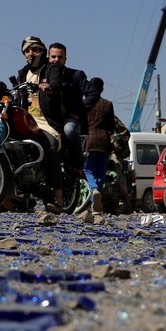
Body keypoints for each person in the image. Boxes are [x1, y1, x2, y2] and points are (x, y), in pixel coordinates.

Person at [15, 35, 66, 212]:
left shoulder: (51, 68)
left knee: (48, 150)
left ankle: (58, 200)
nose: (31, 53)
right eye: (27, 50)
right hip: (26, 121)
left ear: (42, 50)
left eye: (34, 49)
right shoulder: (22, 73)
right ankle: (11, 197)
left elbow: (56, 84)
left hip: (46, 123)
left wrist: (48, 87)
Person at [40, 43, 97, 178]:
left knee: (69, 130)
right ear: (48, 57)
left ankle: (77, 166)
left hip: (69, 119)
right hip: (49, 119)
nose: (56, 60)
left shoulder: (76, 75)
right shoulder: (42, 75)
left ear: (65, 59)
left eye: (60, 57)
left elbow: (93, 94)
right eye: (53, 56)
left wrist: (78, 112)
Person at [81, 77, 124, 214]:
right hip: (104, 143)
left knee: (88, 170)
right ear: (102, 89)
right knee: (100, 174)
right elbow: (111, 126)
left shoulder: (85, 104)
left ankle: (93, 190)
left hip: (89, 141)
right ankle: (95, 206)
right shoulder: (108, 104)